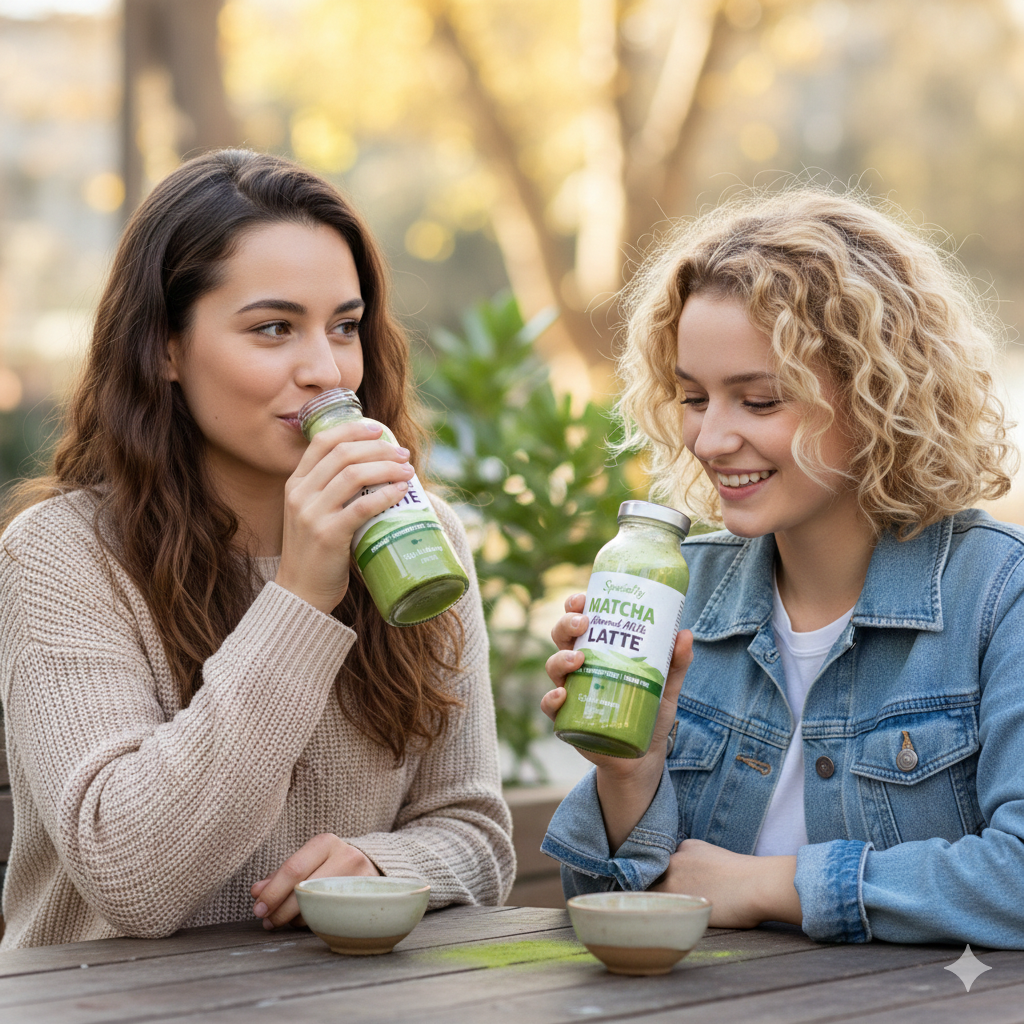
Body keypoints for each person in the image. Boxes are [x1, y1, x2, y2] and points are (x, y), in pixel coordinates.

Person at [0, 149, 514, 950]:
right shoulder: (61, 557)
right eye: (273, 329)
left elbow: (475, 834)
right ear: (164, 349)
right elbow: (132, 877)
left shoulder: (418, 534)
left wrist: (381, 869)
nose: (326, 370)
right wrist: (301, 598)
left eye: (345, 327)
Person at [539, 186, 1024, 946]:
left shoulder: (997, 597)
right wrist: (627, 769)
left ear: (876, 396)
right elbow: (611, 907)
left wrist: (770, 886)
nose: (709, 440)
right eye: (694, 398)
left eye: (758, 401)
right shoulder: (681, 590)